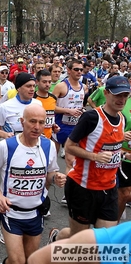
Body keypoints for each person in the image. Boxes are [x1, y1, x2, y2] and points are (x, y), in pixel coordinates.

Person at [48, 76, 130, 245]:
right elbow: (70, 146)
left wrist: (123, 154)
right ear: (106, 93)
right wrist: (95, 156)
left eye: (125, 95)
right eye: (117, 95)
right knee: (79, 241)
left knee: (105, 241)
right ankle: (56, 238)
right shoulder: (92, 118)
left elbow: (110, 148)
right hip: (83, 187)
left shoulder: (122, 119)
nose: (121, 99)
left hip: (108, 188)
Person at [0, 103, 66, 264]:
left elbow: (50, 172)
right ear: (22, 121)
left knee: (30, 260)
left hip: (36, 212)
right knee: (18, 261)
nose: (37, 127)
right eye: (32, 121)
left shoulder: (48, 145)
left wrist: (55, 177)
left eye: (41, 122)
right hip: (11, 212)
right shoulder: (7, 146)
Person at [28, 221, 131, 264]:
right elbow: (40, 259)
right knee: (76, 234)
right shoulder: (117, 249)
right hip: (84, 190)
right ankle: (56, 237)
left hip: (108, 190)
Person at [0, 72, 42, 139]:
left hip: (33, 146)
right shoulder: (5, 106)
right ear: (18, 88)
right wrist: (4, 134)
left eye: (34, 86)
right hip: (13, 147)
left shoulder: (38, 104)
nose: (32, 89)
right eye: (28, 86)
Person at [52, 59, 86, 165]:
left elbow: (81, 105)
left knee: (71, 161)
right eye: (76, 69)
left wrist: (81, 111)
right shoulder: (61, 86)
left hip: (74, 127)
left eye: (81, 69)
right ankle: (49, 180)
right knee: (51, 160)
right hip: (59, 126)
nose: (79, 72)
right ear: (69, 70)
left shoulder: (84, 87)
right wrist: (68, 111)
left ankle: (67, 181)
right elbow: (50, 106)